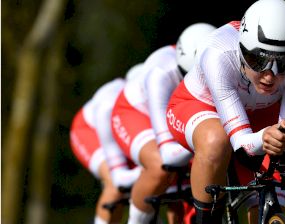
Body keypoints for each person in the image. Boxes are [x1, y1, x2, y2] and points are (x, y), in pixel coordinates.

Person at [166, 0, 285, 223]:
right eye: (258, 60)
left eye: (282, 63)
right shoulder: (218, 53)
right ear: (242, 48)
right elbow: (242, 144)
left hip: (259, 115)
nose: (269, 75)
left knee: (271, 192)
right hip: (199, 106)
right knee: (217, 141)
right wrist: (265, 137)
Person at [110, 23, 216, 223]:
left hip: (175, 111)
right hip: (135, 113)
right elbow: (168, 154)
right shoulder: (160, 75)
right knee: (160, 168)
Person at [69, 63, 144, 224]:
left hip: (113, 132)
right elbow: (105, 113)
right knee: (115, 184)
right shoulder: (113, 96)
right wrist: (118, 168)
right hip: (88, 131)